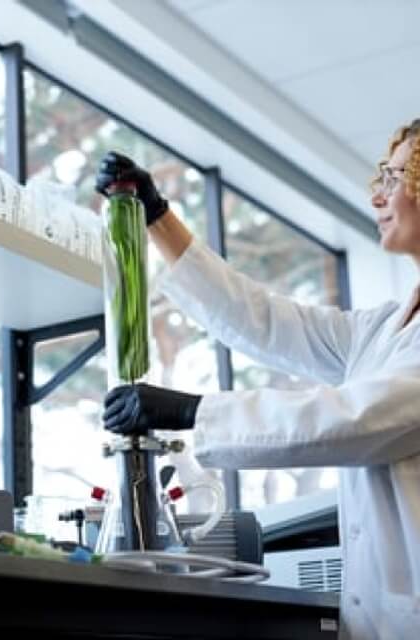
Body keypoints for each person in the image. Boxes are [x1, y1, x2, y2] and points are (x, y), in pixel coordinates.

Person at [94, 119, 420, 640]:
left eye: (396, 177)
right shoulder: (383, 328)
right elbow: (265, 321)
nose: (378, 195)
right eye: (380, 176)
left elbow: (350, 421)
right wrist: (159, 219)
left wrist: (191, 412)